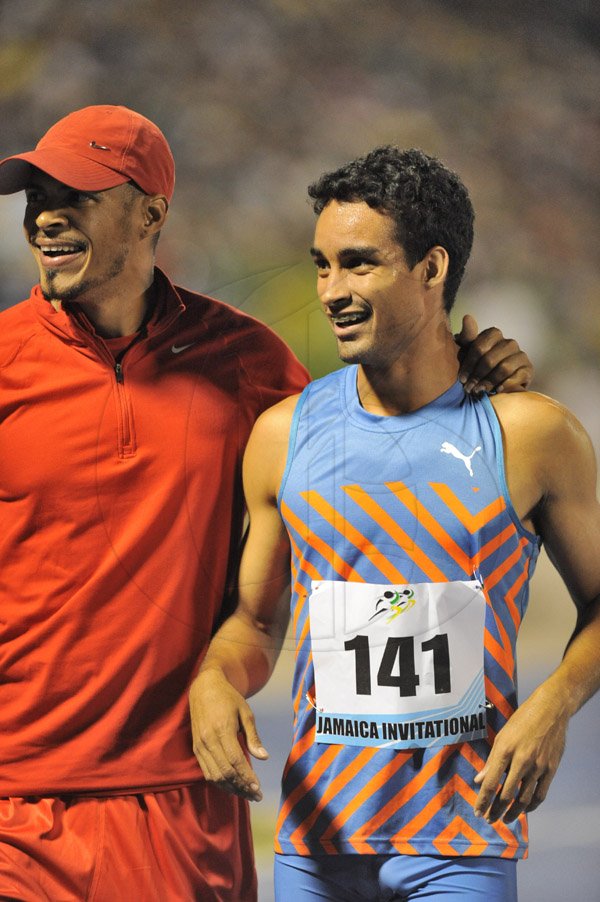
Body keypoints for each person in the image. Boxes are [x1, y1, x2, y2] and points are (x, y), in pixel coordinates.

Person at [0, 108, 529, 901]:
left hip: (187, 797)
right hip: (19, 802)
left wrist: (475, 383)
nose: (44, 215)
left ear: (150, 212)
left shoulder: (245, 362)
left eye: (75, 193)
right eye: (34, 194)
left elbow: (379, 437)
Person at [189, 147, 600, 901]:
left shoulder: (533, 435)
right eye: (321, 266)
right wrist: (214, 679)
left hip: (462, 841)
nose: (331, 291)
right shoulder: (284, 437)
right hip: (319, 841)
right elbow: (254, 623)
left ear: (433, 268)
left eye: (358, 265)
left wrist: (552, 706)